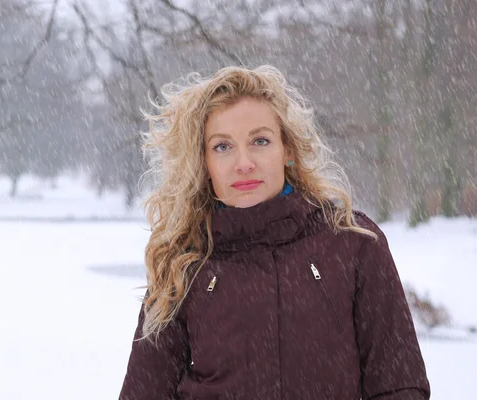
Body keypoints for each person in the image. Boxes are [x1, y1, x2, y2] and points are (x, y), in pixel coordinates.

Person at [118, 65, 430, 399]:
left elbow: (399, 384)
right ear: (203, 163)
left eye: (260, 141)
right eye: (223, 146)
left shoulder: (352, 243)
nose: (244, 163)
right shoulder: (184, 262)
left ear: (288, 150)